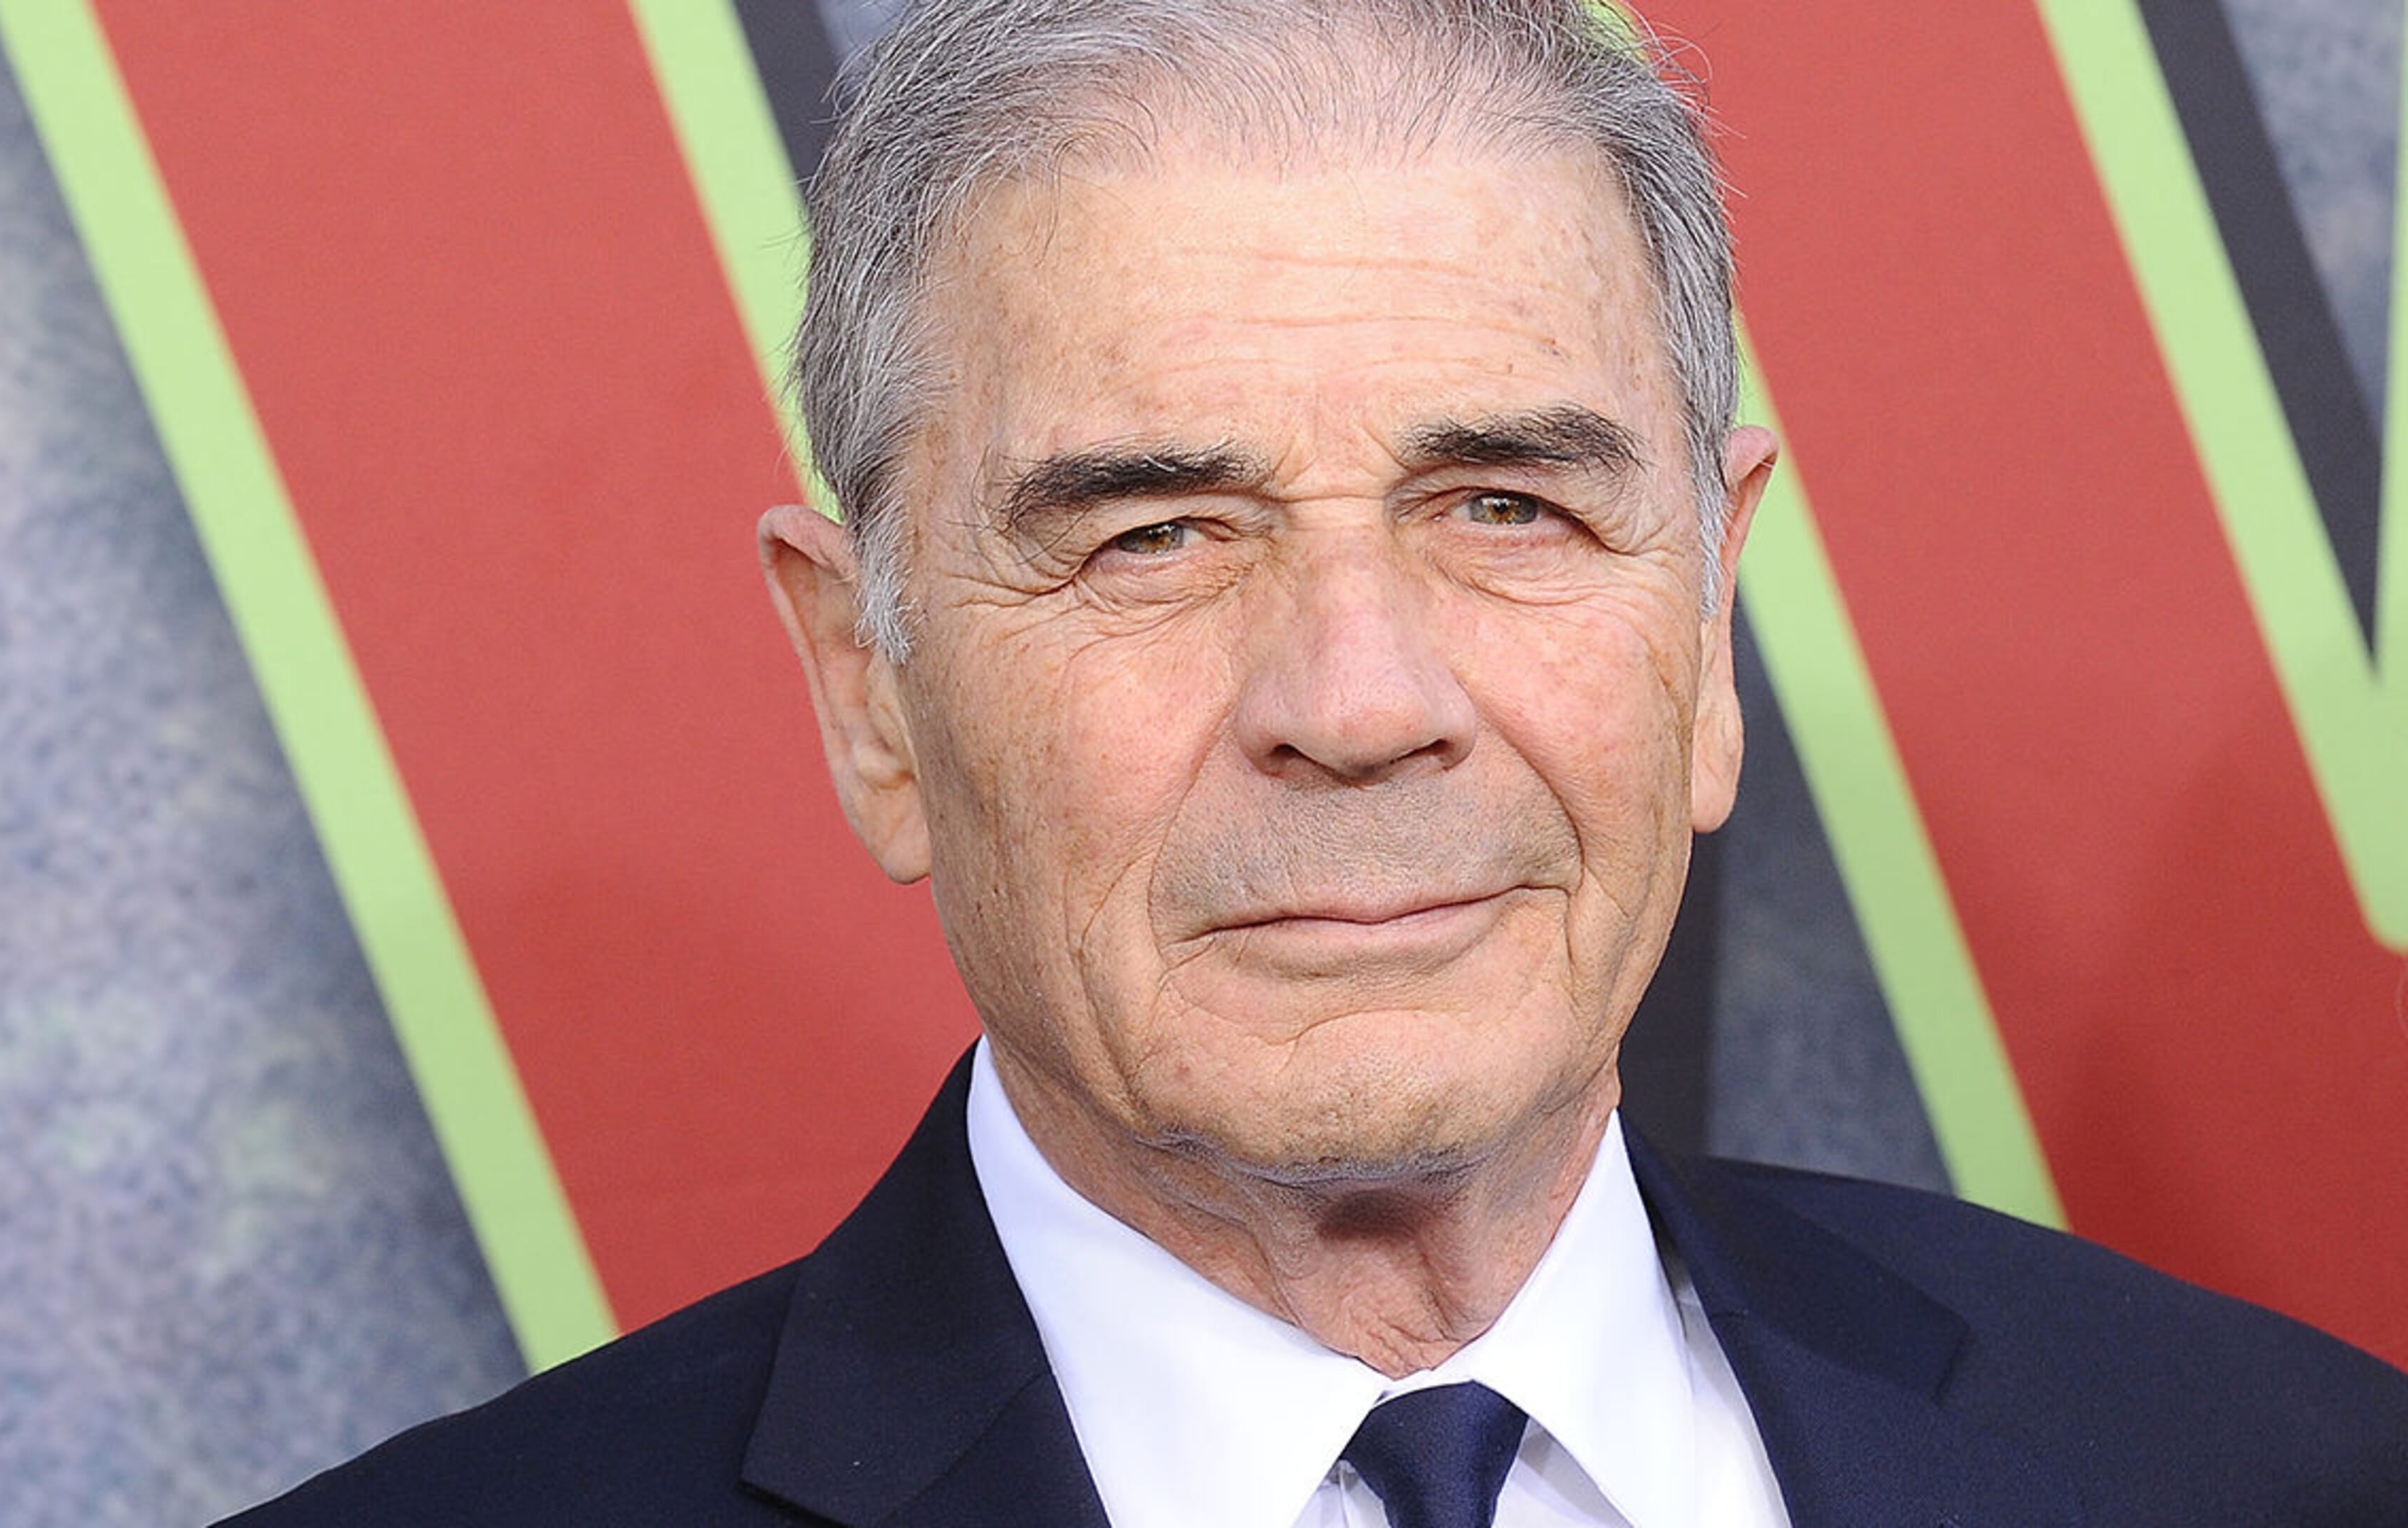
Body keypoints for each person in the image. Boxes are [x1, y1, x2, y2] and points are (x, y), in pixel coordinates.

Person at [224, 2, 2408, 1524]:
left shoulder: (2277, 1476)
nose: (1359, 702)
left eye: (1508, 508)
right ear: (865, 686)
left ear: (1710, 614)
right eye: (1156, 534)